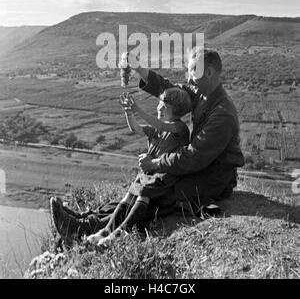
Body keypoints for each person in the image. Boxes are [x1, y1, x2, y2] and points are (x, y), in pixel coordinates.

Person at [50, 48, 245, 245]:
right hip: (199, 167)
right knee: (145, 183)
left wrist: (156, 163)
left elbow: (193, 157)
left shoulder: (222, 113)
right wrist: (139, 69)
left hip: (213, 178)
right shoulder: (203, 94)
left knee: (155, 188)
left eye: (193, 70)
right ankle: (87, 219)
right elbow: (171, 92)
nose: (189, 77)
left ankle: (85, 228)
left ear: (209, 72)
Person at [86, 87, 191, 247]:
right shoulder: (158, 130)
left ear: (174, 110)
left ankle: (118, 234)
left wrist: (137, 109)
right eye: (160, 104)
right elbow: (135, 128)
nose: (160, 108)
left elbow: (163, 125)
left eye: (164, 106)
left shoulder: (180, 129)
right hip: (149, 174)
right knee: (128, 196)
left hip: (163, 176)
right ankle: (106, 231)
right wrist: (129, 112)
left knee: (143, 194)